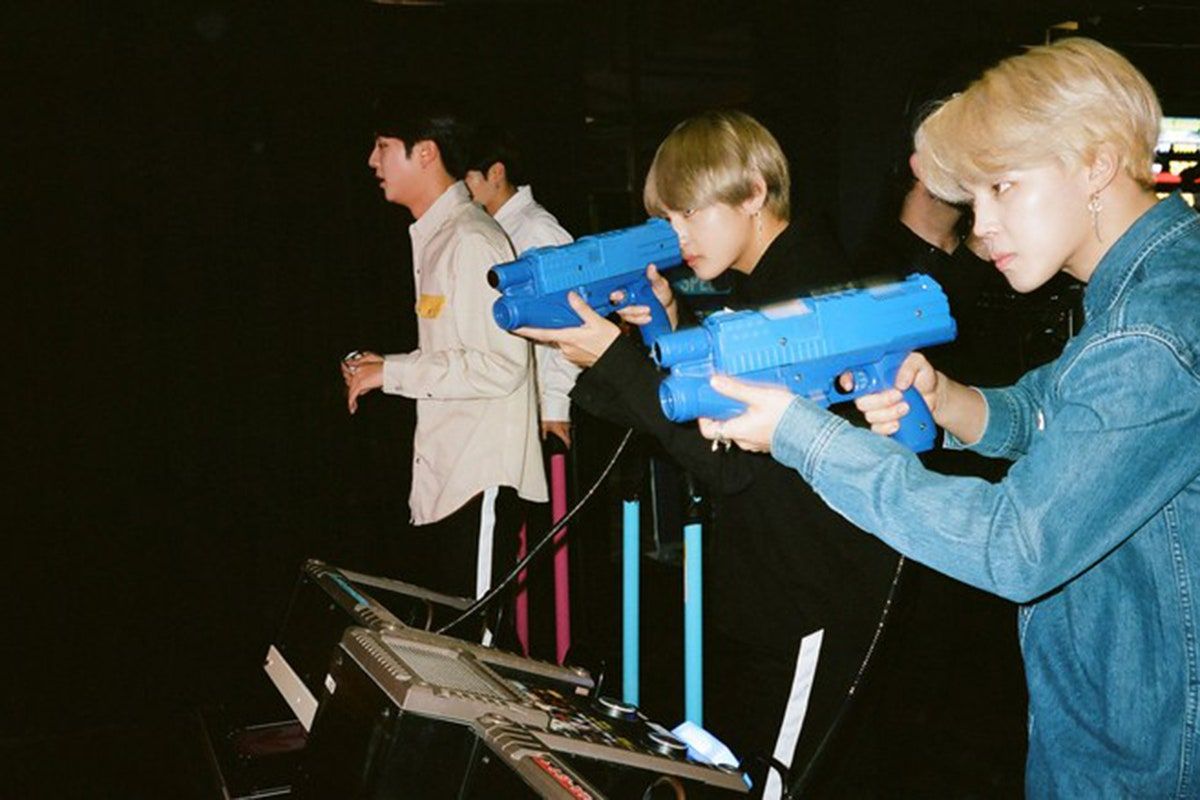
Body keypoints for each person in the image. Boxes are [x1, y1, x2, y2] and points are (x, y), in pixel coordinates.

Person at [702, 38, 1200, 797]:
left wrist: (803, 436)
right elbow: (1052, 413)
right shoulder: (1155, 288)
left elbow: (1017, 545)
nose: (981, 224)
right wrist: (948, 404)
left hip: (1144, 750)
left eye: (1003, 187)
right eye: (974, 198)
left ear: (1096, 163)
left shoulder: (1149, 334)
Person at [518, 110, 901, 798]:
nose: (678, 235)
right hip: (782, 591)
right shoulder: (775, 283)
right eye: (668, 219)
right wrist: (664, 329)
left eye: (690, 212)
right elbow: (711, 406)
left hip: (809, 598)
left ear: (753, 192)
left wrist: (613, 356)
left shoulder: (803, 296)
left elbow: (729, 462)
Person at [341, 90, 548, 635]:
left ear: (426, 152)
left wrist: (391, 372)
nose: (372, 161)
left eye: (384, 146)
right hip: (453, 478)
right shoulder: (441, 237)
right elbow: (457, 352)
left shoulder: (471, 239)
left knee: (474, 648)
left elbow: (501, 364)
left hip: (480, 479)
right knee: (455, 642)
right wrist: (387, 365)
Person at [463, 126, 580, 449]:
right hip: (502, 401)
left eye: (468, 178)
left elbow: (570, 321)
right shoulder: (485, 229)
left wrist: (555, 406)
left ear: (496, 173)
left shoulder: (537, 230)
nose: (462, 189)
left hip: (539, 409)